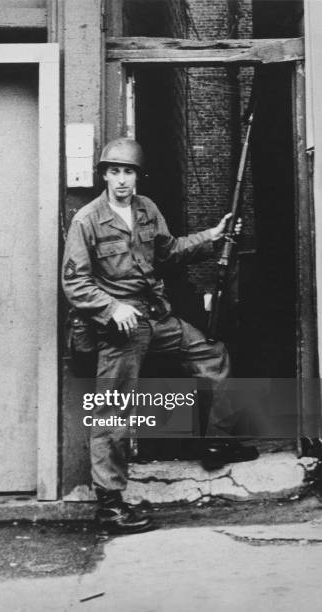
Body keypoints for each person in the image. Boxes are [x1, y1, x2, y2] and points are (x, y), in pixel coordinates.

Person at [62, 138, 258, 534]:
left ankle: (216, 442)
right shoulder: (88, 219)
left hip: (156, 316)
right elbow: (75, 281)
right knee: (113, 409)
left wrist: (213, 236)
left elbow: (169, 252)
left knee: (212, 356)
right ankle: (110, 505)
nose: (121, 180)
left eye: (128, 171)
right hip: (119, 326)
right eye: (114, 171)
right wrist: (112, 308)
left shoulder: (147, 209)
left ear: (137, 176)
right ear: (103, 175)